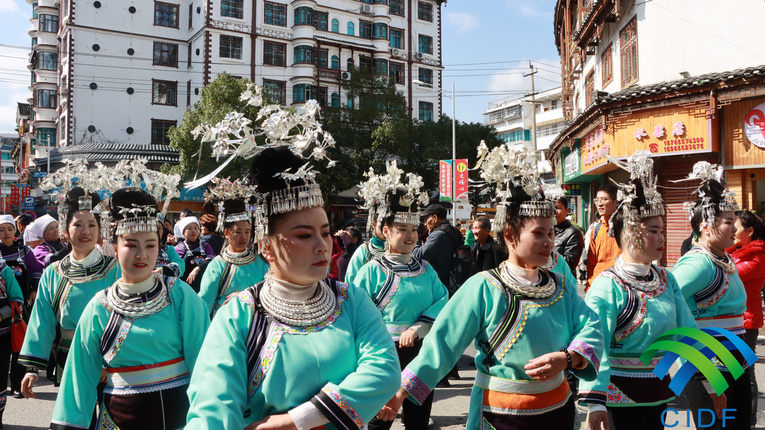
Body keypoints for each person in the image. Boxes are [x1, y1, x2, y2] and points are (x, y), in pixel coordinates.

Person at [378, 144, 604, 429]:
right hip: (500, 413)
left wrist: (569, 358)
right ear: (510, 236)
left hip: (558, 409)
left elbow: (591, 326)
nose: (549, 241)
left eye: (550, 233)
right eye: (538, 233)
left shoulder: (562, 286)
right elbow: (442, 345)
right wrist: (402, 392)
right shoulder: (482, 288)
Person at [186, 145, 400, 429]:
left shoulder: (351, 301)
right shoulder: (239, 315)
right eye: (304, 235)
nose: (323, 246)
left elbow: (384, 371)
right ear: (266, 245)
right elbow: (212, 407)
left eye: (325, 233)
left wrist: (295, 420)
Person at [49, 187, 210, 428]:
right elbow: (78, 379)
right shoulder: (100, 306)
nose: (141, 254)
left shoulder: (178, 295)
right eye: (131, 245)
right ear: (114, 247)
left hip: (182, 419)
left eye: (150, 245)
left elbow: (205, 362)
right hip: (118, 419)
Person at [577, 151, 699, 430]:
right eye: (654, 230)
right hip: (618, 400)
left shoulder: (666, 279)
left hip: (660, 395)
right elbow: (595, 345)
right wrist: (596, 403)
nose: (662, 237)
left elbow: (687, 334)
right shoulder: (608, 285)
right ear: (631, 233)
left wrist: (702, 384)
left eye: (663, 230)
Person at [354, 182, 445, 430]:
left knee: (418, 419)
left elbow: (443, 300)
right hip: (381, 354)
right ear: (386, 231)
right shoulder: (370, 271)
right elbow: (354, 312)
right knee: (378, 420)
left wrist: (417, 328)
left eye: (414, 229)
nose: (410, 235)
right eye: (401, 229)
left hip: (418, 353)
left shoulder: (426, 271)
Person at [19, 187, 120, 397]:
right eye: (78, 225)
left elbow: (127, 318)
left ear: (100, 230)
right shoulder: (53, 273)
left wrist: (107, 360)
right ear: (66, 230)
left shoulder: (116, 270)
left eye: (92, 225)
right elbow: (42, 321)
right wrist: (32, 369)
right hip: (69, 357)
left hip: (112, 361)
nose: (86, 231)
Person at [672, 162, 749, 430]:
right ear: (706, 225)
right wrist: (709, 381)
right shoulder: (697, 264)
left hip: (732, 362)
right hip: (708, 368)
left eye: (734, 221)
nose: (735, 228)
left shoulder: (723, 258)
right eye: (729, 222)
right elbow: (670, 309)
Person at [198, 192, 269, 318]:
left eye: (247, 232)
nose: (244, 237)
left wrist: (246, 295)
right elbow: (204, 304)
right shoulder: (219, 265)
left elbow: (272, 290)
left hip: (257, 323)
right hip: (226, 322)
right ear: (227, 233)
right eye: (238, 232)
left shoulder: (260, 262)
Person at [727, 210, 765, 428]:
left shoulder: (758, 256)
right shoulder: (735, 251)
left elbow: (730, 274)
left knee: (744, 372)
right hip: (733, 320)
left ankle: (747, 421)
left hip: (746, 322)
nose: (732, 229)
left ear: (750, 232)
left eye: (736, 225)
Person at [0, 215, 44, 398]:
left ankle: (17, 385)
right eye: (2, 230)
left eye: (10, 229)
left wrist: (34, 288)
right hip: (4, 304)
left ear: (15, 230)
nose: (7, 233)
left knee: (19, 346)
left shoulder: (24, 250)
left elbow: (35, 269)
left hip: (20, 304)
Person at [0, 230, 24, 425]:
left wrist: (1, 314)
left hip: (2, 335)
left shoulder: (3, 270)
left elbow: (18, 300)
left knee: (0, 377)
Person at [578, 185, 621, 291]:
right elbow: (591, 263)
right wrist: (590, 287)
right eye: (597, 200)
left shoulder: (626, 228)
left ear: (616, 202)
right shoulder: (597, 229)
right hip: (599, 287)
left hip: (620, 287)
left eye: (604, 199)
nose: (599, 204)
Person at [413, 204, 460, 291]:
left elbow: (418, 255)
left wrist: (416, 237)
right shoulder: (454, 230)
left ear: (435, 218)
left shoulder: (438, 235)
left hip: (440, 283)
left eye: (426, 219)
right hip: (452, 280)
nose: (425, 224)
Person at [175, 216, 214, 293]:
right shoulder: (178, 248)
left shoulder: (205, 245)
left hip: (204, 285)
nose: (193, 231)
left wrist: (197, 268)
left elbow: (211, 259)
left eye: (195, 228)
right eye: (189, 228)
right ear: (183, 232)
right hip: (186, 288)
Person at [554, 197, 584, 273]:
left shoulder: (572, 233)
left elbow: (569, 263)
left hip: (562, 281)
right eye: (551, 208)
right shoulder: (543, 231)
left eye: (557, 208)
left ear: (567, 210)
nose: (554, 212)